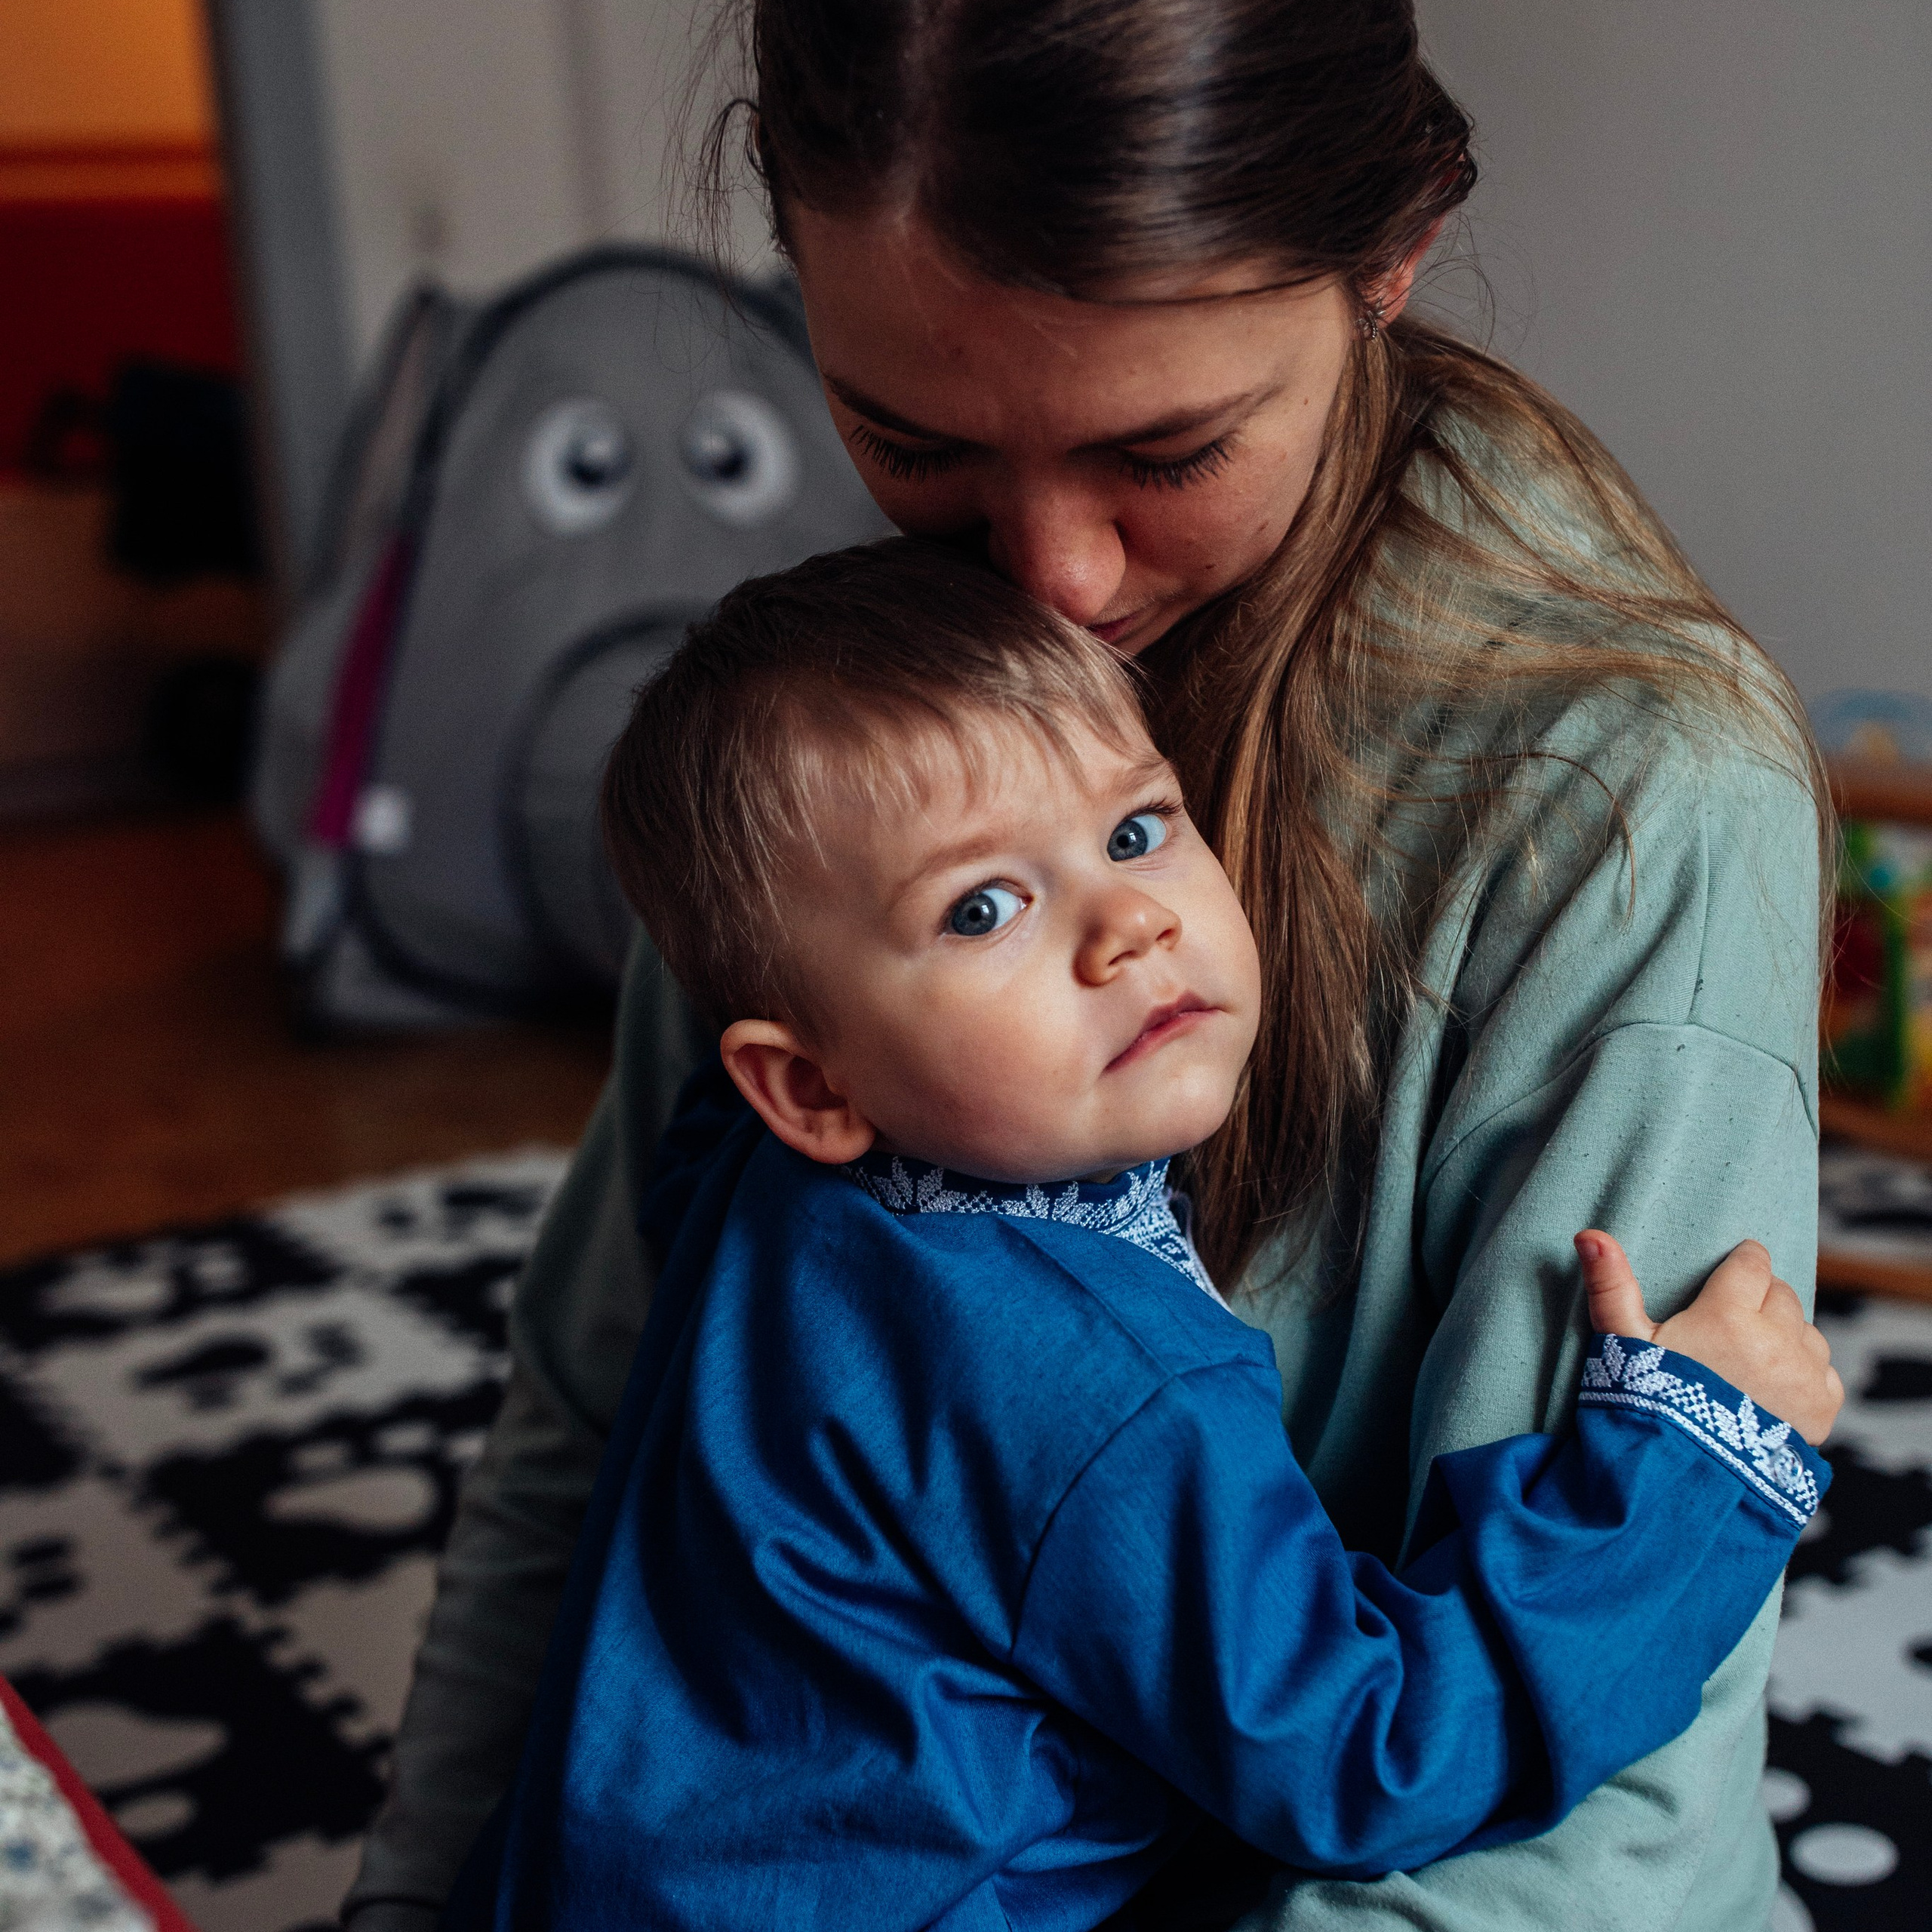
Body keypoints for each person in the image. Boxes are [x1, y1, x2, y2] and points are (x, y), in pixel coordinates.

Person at [342, 4, 1829, 1928]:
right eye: (910, 438)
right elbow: (587, 1427)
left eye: (1166, 449)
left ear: (1390, 258)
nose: (1045, 578)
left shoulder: (1642, 796)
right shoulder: (821, 771)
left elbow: (1573, 1831)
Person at [443, 543, 1835, 1931]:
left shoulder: (756, 1176)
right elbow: (1365, 1759)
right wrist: (1691, 1468)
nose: (1127, 927)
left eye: (1135, 830)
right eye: (982, 908)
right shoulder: (1101, 1392)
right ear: (809, 1086)